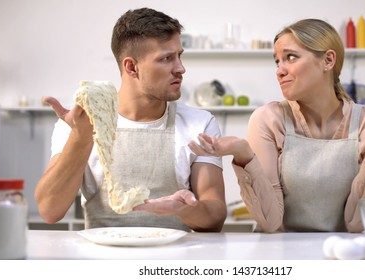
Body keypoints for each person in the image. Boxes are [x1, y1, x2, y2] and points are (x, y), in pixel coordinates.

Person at [189, 19, 365, 233]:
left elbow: (356, 224)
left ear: (328, 60)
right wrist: (243, 154)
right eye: (277, 61)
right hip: (279, 254)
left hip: (343, 256)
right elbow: (270, 222)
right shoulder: (268, 119)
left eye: (290, 57)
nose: (279, 70)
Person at [35, 8, 227, 232]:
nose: (181, 68)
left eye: (179, 56)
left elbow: (215, 218)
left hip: (174, 260)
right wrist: (81, 137)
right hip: (100, 260)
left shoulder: (199, 123)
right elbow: (50, 210)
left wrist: (182, 209)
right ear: (131, 67)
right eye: (166, 58)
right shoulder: (79, 125)